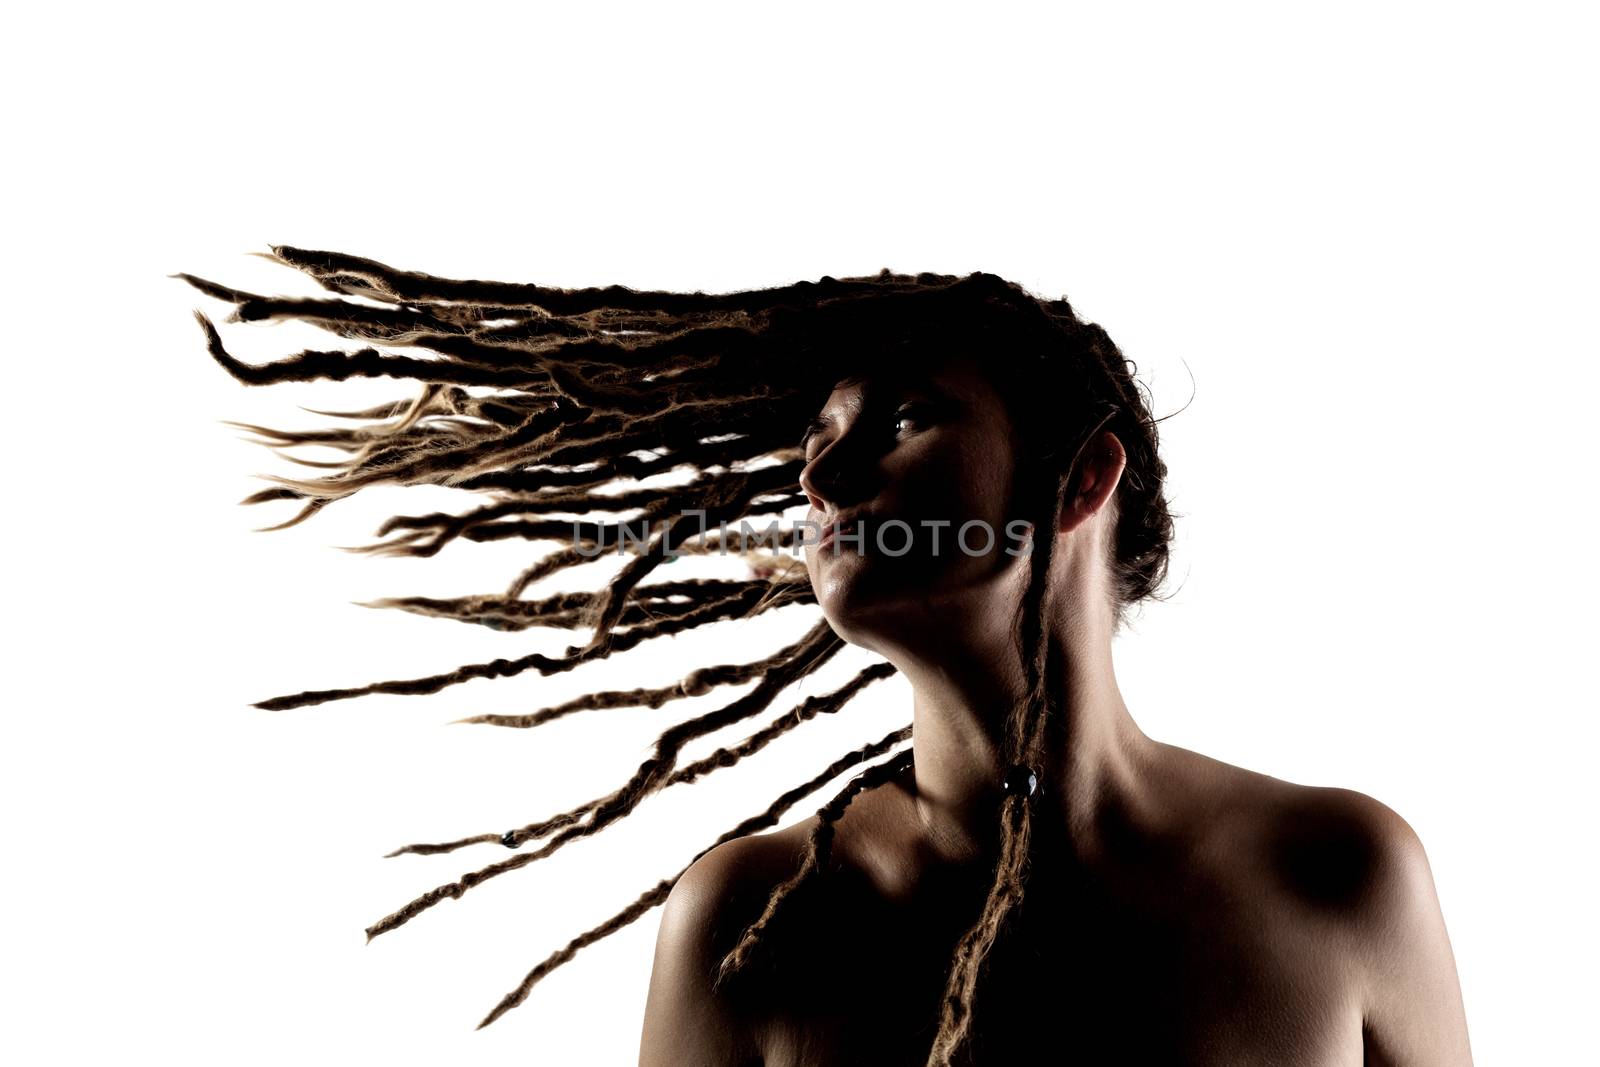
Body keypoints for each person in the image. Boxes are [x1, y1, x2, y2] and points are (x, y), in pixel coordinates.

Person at [188, 249, 1471, 1065]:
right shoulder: (750, 927)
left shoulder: (1338, 877)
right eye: (820, 432)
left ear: (1078, 477)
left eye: (905, 418)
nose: (823, 470)